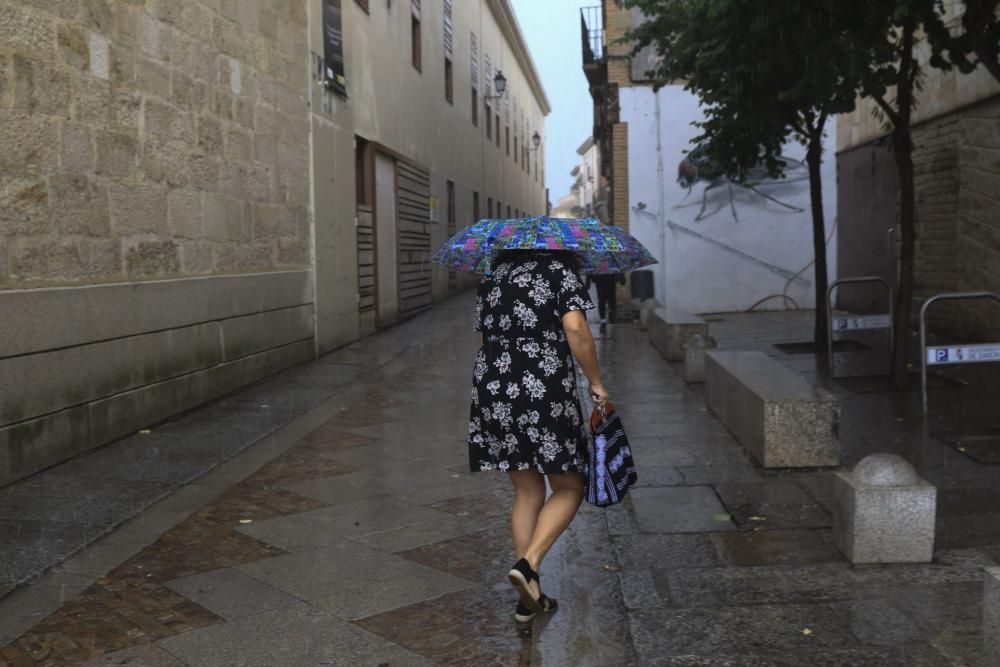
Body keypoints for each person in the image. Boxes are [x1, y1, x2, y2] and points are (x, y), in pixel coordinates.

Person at [468, 249, 609, 623]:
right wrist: (595, 382)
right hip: (542, 389)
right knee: (569, 486)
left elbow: (485, 338)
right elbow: (576, 329)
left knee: (527, 490)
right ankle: (529, 566)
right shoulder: (559, 272)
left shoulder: (492, 277)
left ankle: (529, 595)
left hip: (493, 389)